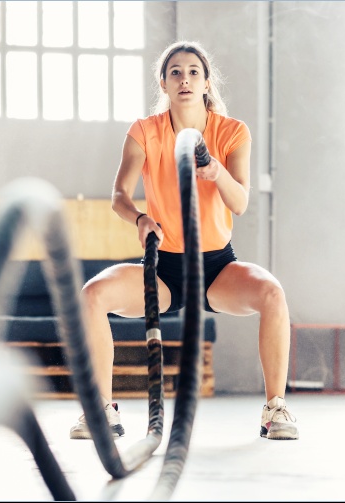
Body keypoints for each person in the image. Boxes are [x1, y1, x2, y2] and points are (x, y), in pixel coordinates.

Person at [71, 41, 298, 441]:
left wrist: (216, 173)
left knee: (272, 294)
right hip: (163, 268)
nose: (185, 79)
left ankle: (275, 408)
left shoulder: (232, 132)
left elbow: (241, 202)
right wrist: (140, 218)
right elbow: (118, 196)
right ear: (163, 82)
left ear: (207, 82)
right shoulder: (145, 131)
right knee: (92, 294)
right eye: (175, 72)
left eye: (194, 71)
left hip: (216, 268)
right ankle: (99, 410)